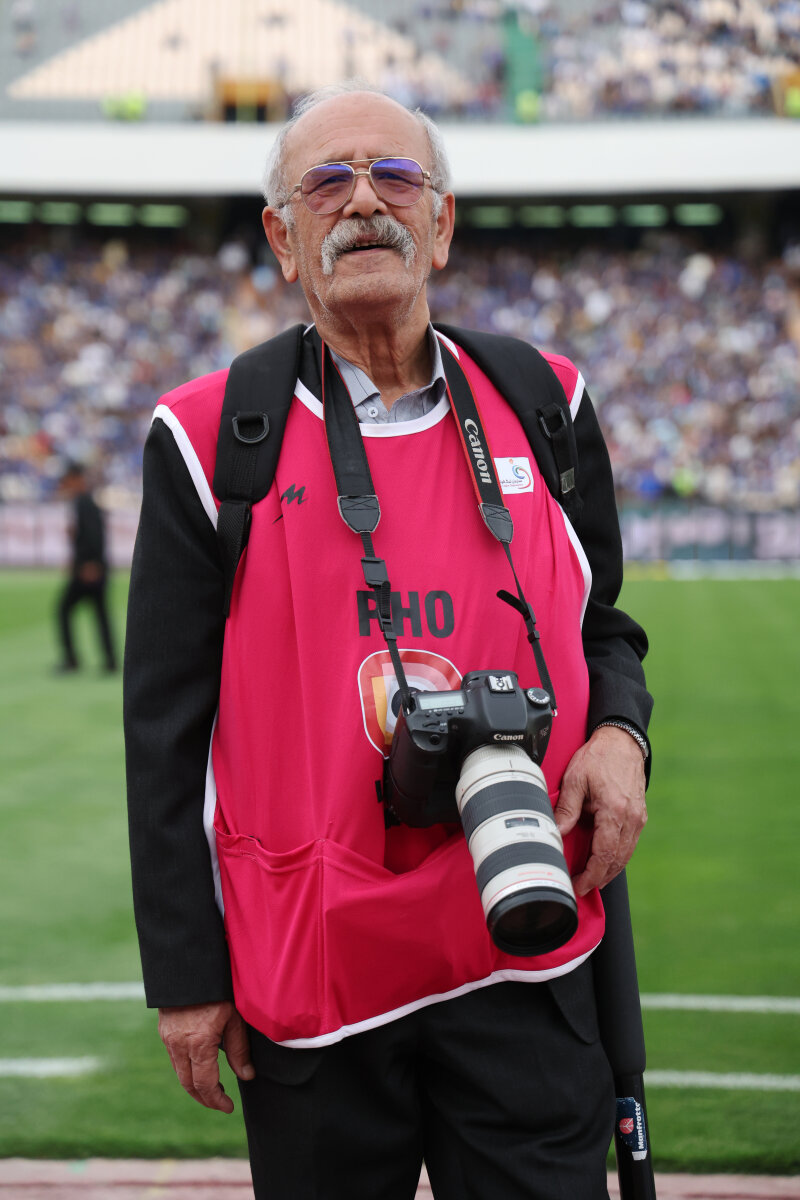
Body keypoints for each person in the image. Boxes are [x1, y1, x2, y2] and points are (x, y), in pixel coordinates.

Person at [124, 82, 652, 1200]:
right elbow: (163, 730)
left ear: (441, 223)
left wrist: (620, 733)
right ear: (283, 240)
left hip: (522, 924)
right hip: (314, 959)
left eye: (395, 177)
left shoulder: (545, 399)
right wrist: (185, 972)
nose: (363, 202)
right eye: (326, 184)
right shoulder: (208, 438)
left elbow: (602, 622)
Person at [55, 462, 117, 673]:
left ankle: (72, 659)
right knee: (100, 614)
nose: (66, 484)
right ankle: (110, 660)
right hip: (94, 566)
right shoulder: (85, 501)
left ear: (76, 479)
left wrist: (90, 563)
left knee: (64, 609)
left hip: (89, 569)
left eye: (68, 480)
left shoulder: (84, 502)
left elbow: (95, 536)